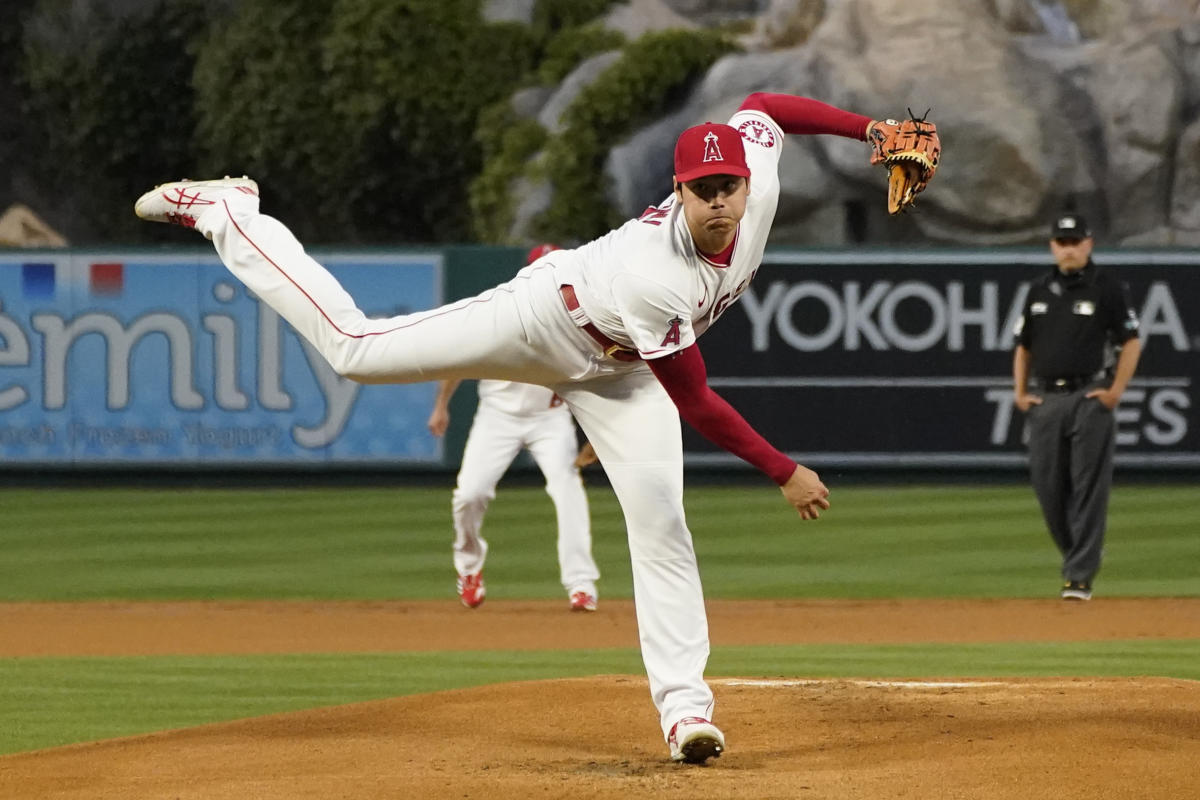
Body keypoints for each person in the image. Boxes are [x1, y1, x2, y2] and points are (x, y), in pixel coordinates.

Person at [134, 91, 896, 763]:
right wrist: (782, 469)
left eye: (727, 185)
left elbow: (763, 102)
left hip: (623, 373)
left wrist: (871, 131)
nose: (720, 202)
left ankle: (685, 713)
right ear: (679, 192)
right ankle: (231, 212)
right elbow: (696, 402)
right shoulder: (654, 271)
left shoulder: (756, 185)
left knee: (662, 522)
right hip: (546, 321)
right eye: (703, 192)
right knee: (356, 352)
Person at [427, 243, 601, 612]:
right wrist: (441, 405)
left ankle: (581, 585)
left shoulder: (578, 319)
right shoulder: (500, 312)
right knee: (469, 495)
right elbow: (459, 358)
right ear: (528, 273)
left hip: (550, 420)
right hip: (498, 416)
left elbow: (593, 379)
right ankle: (469, 568)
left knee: (567, 489)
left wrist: (596, 433)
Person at [1012, 212, 1142, 601]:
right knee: (1048, 487)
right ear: (1053, 246)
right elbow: (1023, 346)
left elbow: (1131, 341)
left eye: (1074, 241)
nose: (1068, 249)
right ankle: (1081, 554)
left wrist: (1116, 390)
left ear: (1088, 244)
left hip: (1089, 395)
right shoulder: (1037, 290)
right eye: (1061, 242)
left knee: (1088, 486)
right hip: (1047, 397)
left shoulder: (1108, 288)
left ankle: (1079, 577)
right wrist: (1020, 392)